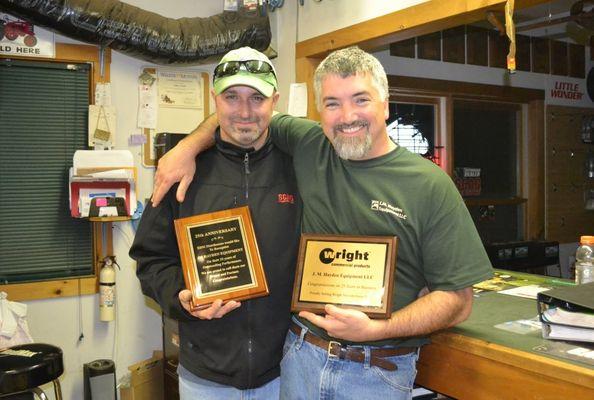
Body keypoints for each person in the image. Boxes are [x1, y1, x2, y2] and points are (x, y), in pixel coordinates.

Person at [151, 46, 493, 400]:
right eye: (332, 103)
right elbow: (241, 117)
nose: (347, 116)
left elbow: (458, 300)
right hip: (300, 360)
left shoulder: (430, 184)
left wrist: (378, 329)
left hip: (376, 373)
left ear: (386, 103)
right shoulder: (311, 144)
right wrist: (186, 148)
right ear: (320, 111)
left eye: (361, 100)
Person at [129, 47, 302, 400]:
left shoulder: (301, 168)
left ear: (275, 100)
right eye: (231, 97)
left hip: (287, 373)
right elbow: (150, 260)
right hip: (206, 378)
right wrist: (181, 297)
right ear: (215, 100)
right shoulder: (181, 173)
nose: (244, 111)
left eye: (257, 97)